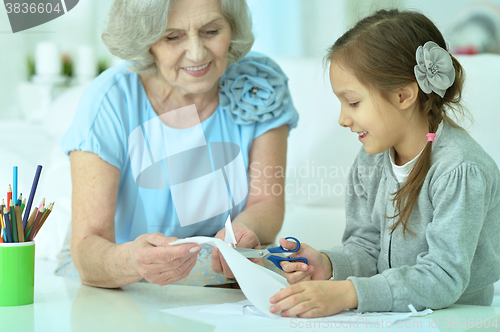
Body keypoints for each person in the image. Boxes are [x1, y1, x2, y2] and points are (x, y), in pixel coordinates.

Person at [269, 9, 500, 318]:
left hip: (457, 318)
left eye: (353, 103)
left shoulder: (460, 169)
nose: (343, 119)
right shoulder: (370, 161)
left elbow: (443, 277)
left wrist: (349, 293)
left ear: (404, 95)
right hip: (391, 316)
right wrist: (327, 264)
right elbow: (366, 247)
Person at [56, 0, 298, 288]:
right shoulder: (109, 100)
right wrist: (134, 260)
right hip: (121, 272)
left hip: (223, 267)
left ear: (232, 28)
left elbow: (266, 203)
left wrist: (243, 231)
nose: (196, 53)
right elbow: (87, 248)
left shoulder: (259, 82)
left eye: (211, 31)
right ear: (146, 41)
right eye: (172, 36)